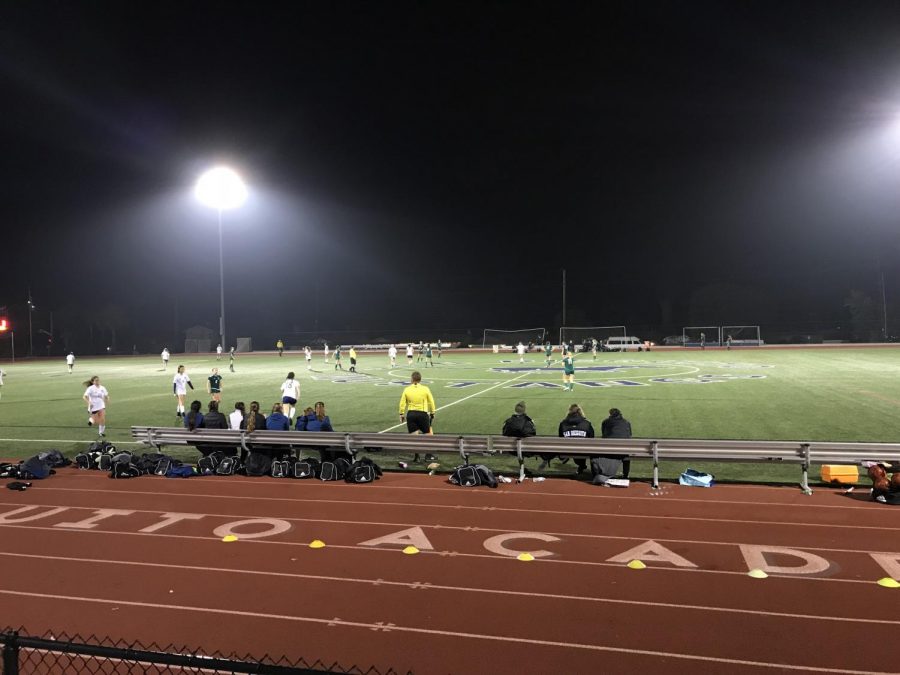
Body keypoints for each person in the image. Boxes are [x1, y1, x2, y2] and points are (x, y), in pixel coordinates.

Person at [399, 370, 436, 462]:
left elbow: (402, 403)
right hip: (422, 414)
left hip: (411, 414)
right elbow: (431, 401)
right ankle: (428, 455)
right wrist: (432, 412)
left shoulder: (407, 389)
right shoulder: (425, 389)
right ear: (420, 379)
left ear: (412, 379)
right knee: (428, 434)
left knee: (414, 437)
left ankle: (417, 456)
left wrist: (401, 414)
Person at [557, 403, 595, 475]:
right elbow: (592, 437)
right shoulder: (587, 423)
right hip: (584, 449)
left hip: (567, 449)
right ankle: (583, 466)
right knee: (584, 446)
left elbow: (560, 437)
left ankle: (581, 465)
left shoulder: (563, 423)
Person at [601, 407, 633, 479]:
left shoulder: (606, 422)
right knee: (626, 454)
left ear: (610, 414)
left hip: (610, 449)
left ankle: (606, 473)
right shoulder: (626, 422)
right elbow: (629, 435)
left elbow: (604, 435)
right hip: (624, 449)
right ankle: (626, 474)